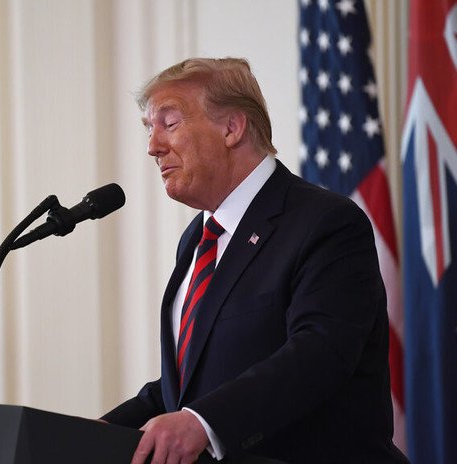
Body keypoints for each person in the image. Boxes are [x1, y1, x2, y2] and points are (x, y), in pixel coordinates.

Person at [101, 58, 408, 464]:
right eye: (149, 129)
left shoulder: (325, 222)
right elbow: (187, 384)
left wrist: (200, 422)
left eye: (169, 123)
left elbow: (318, 354)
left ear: (232, 127)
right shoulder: (196, 239)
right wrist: (98, 431)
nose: (153, 146)